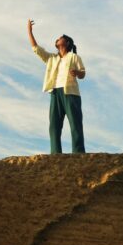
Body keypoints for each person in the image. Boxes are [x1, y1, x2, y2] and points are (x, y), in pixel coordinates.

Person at [27, 19, 87, 154]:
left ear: (66, 43)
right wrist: (30, 32)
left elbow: (83, 74)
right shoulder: (51, 58)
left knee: (75, 124)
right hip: (55, 93)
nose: (57, 39)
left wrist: (77, 72)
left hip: (71, 93)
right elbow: (36, 49)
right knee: (54, 126)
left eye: (60, 38)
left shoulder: (74, 57)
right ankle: (55, 153)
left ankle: (78, 153)